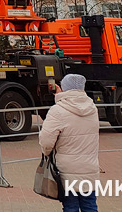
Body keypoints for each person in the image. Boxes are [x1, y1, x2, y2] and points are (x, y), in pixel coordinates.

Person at [39, 73, 100, 212]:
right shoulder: (92, 108)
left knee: (70, 206)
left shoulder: (58, 110)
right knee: (90, 205)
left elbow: (46, 142)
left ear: (64, 88)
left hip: (67, 170)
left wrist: (47, 153)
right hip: (90, 167)